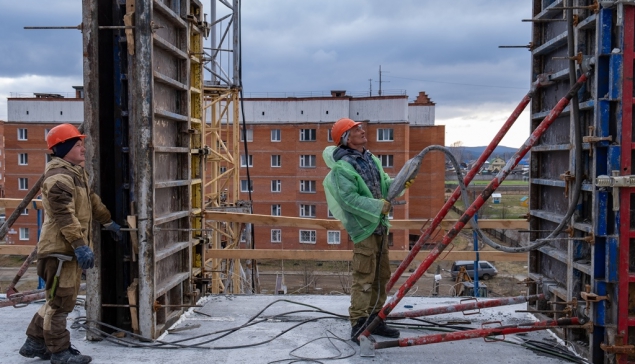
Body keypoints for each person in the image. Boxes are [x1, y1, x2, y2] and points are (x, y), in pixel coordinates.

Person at [19, 123, 122, 364]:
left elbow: (92, 201)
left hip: (66, 250)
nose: (83, 149)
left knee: (55, 300)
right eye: (77, 145)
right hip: (60, 251)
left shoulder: (75, 174)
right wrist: (79, 244)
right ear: (63, 148)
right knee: (60, 304)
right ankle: (59, 353)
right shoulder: (59, 178)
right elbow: (64, 215)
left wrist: (108, 222)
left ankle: (34, 342)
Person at [323, 118, 411, 345]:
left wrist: (400, 184)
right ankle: (358, 324)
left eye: (360, 128)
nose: (362, 131)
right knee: (364, 277)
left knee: (381, 276)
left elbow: (382, 186)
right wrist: (378, 206)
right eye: (355, 129)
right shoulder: (343, 167)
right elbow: (348, 199)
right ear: (345, 138)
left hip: (379, 225)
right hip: (364, 229)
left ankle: (374, 319)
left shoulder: (370, 159)